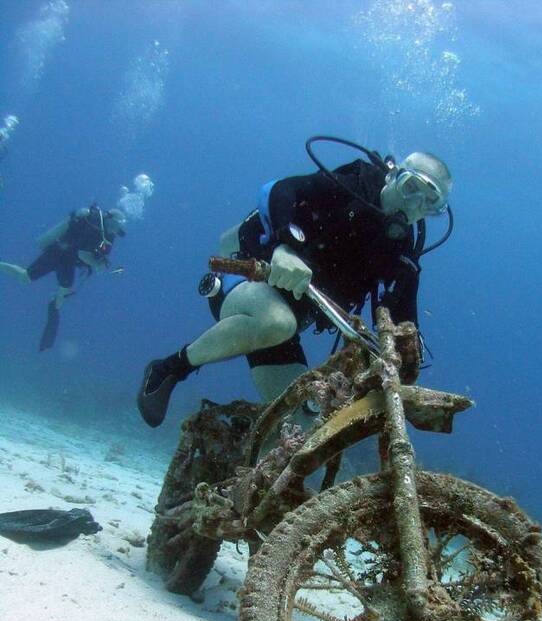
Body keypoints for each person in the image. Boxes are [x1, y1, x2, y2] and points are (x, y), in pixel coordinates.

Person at [137, 142, 452, 428]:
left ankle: (239, 452)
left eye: (430, 203)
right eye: (411, 188)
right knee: (277, 321)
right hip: (247, 280)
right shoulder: (352, 185)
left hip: (287, 325)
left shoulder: (402, 250)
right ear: (393, 176)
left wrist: (407, 361)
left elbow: (404, 321)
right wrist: (283, 247)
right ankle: (168, 369)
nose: (414, 205)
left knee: (305, 424)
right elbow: (280, 190)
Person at [0, 204, 126, 349]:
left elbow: (96, 254)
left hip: (67, 260)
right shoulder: (94, 227)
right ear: (110, 220)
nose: (117, 230)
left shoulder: (107, 235)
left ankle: (54, 304)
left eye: (119, 227)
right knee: (26, 277)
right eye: (116, 225)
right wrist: (97, 264)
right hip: (58, 253)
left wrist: (100, 262)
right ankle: (54, 303)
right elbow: (83, 254)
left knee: (62, 289)